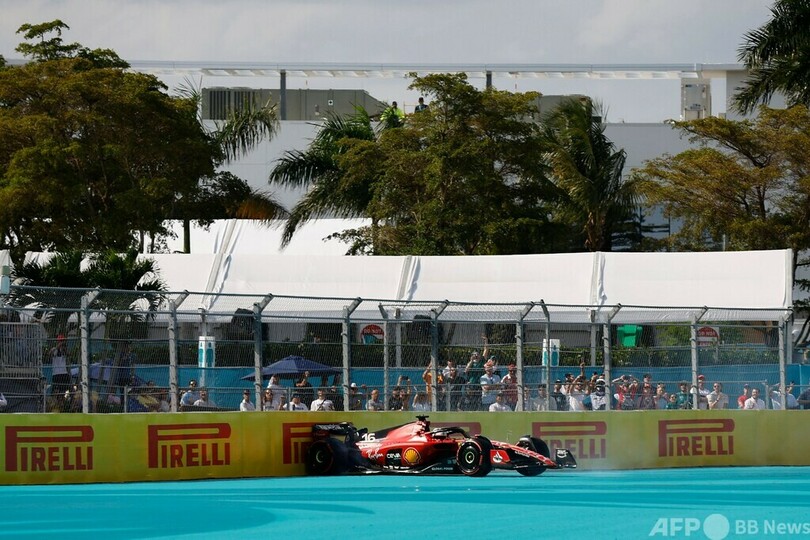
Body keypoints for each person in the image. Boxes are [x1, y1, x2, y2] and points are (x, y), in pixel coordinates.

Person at [50, 334, 71, 398]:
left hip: (64, 373)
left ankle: (63, 400)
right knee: (56, 391)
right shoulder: (54, 349)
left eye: (62, 341)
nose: (61, 343)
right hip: (56, 373)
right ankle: (56, 400)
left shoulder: (64, 350)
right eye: (60, 341)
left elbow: (68, 354)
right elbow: (51, 354)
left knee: (65, 390)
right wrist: (58, 347)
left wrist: (64, 348)